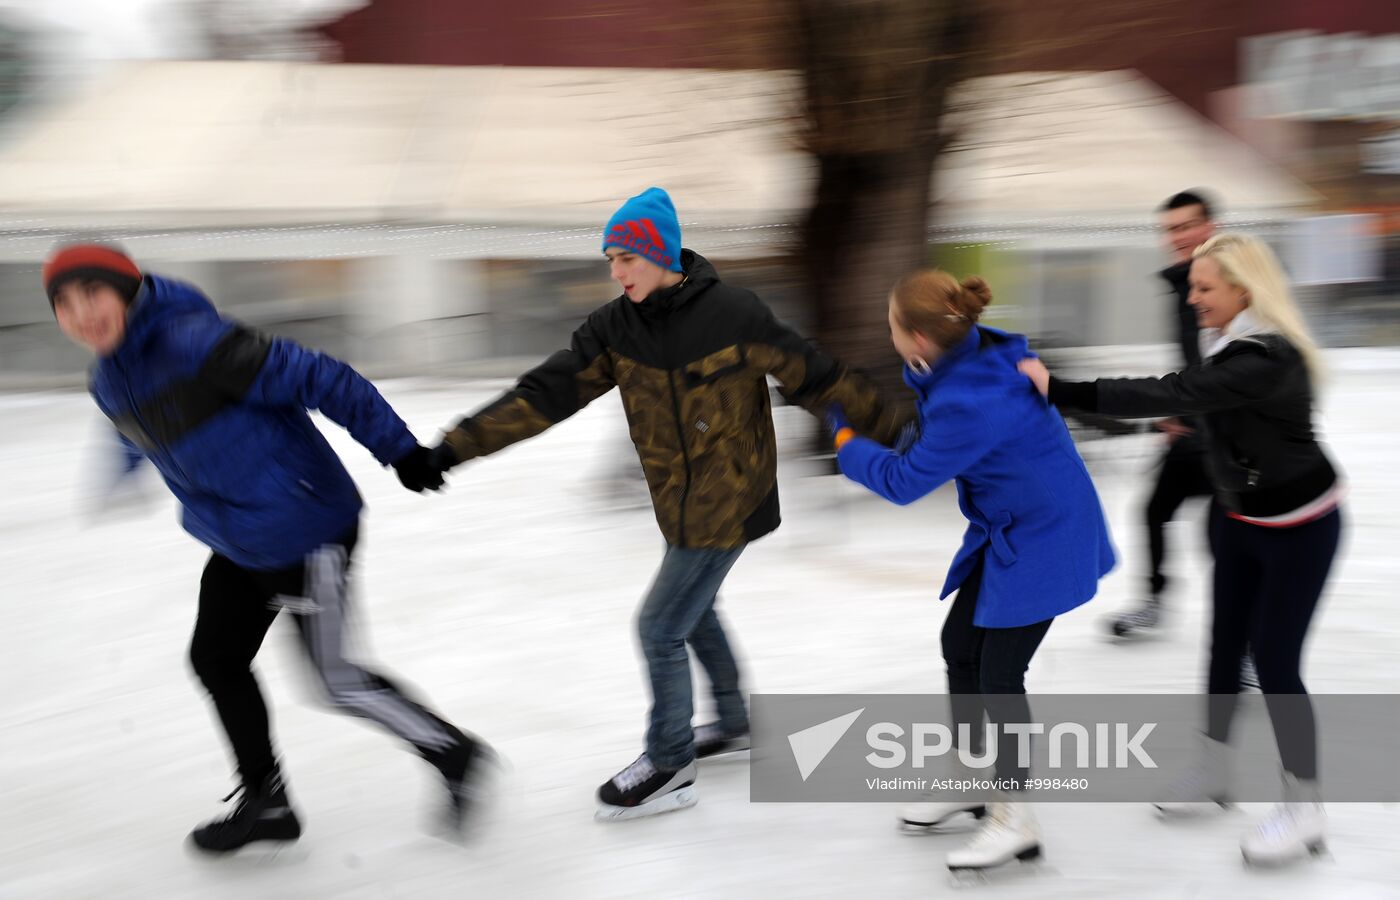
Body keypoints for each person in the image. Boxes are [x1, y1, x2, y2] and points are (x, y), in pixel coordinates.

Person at [411, 187, 912, 819]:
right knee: (693, 612)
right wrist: (452, 448)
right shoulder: (614, 329)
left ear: (662, 255)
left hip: (732, 496)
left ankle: (670, 761)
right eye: (609, 260)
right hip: (678, 501)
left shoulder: (734, 314)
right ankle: (733, 721)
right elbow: (541, 396)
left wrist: (899, 433)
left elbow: (819, 377)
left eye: (626, 258)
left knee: (658, 627)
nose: (616, 272)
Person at [44, 243, 492, 853]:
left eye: (92, 293)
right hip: (238, 537)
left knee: (335, 679)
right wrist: (121, 468)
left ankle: (456, 753)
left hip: (307, 530)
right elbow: (141, 424)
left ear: (125, 290)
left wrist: (401, 451)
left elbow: (323, 376)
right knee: (216, 659)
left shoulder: (198, 342)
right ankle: (267, 801)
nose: (81, 313)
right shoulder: (108, 376)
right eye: (63, 304)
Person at [1019, 233, 1343, 866]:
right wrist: (1195, 426)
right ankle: (1216, 773)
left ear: (1242, 292)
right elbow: (1203, 398)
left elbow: (1175, 389)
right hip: (1242, 517)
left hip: (1303, 527)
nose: (1193, 298)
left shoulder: (1265, 357)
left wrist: (1060, 390)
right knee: (1225, 648)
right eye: (1191, 286)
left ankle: (1305, 807)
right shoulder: (1226, 341)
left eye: (1204, 288)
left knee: (1275, 661)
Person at [829, 269, 1115, 873]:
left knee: (1000, 675)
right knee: (959, 644)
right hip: (1017, 523)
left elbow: (905, 482)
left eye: (891, 327)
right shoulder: (978, 354)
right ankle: (970, 773)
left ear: (918, 338)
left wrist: (848, 441)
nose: (888, 335)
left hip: (1046, 536)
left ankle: (1015, 816)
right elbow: (936, 428)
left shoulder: (969, 402)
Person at [1108, 190, 1218, 639]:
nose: (1179, 236)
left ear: (1211, 227)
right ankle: (1152, 602)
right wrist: (1177, 412)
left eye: (1187, 225)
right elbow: (1198, 365)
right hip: (1197, 424)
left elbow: (1235, 364)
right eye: (1171, 229)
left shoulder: (1225, 279)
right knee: (1154, 510)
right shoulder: (1182, 285)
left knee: (1226, 538)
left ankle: (1248, 641)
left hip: (1231, 433)